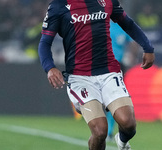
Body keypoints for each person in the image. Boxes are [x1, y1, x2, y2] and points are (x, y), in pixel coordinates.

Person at [38, 0, 155, 150]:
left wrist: (147, 46)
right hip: (80, 77)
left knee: (129, 123)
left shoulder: (107, 1)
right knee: (100, 131)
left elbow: (127, 23)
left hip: (109, 72)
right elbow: (45, 42)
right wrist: (49, 68)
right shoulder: (59, 5)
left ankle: (122, 141)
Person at [106, 20, 138, 141]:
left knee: (114, 97)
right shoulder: (102, 20)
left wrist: (132, 55)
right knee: (104, 97)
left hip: (117, 65)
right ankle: (104, 128)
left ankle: (109, 131)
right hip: (102, 62)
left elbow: (133, 42)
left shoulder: (123, 24)